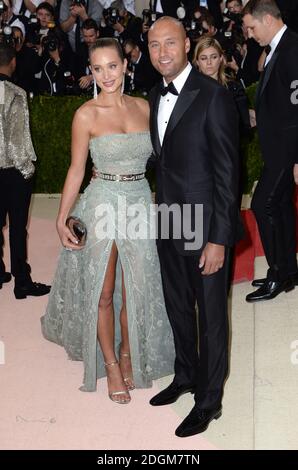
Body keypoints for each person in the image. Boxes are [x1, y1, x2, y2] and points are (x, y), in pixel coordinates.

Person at [40, 38, 174, 404]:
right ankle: (111, 364)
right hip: (101, 202)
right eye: (97, 69)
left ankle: (129, 352)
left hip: (138, 203)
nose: (106, 75)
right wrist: (62, 217)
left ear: (125, 65)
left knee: (136, 286)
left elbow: (166, 162)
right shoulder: (86, 114)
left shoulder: (146, 107)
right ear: (91, 71)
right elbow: (76, 169)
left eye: (112, 66)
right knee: (103, 288)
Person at [147, 17, 239, 436]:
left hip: (205, 228)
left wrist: (219, 238)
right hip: (169, 222)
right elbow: (165, 158)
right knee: (178, 306)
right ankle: (185, 374)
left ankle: (209, 401)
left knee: (212, 316)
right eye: (153, 45)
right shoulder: (153, 95)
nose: (162, 52)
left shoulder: (214, 95)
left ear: (186, 44)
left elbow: (227, 175)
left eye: (170, 43)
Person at [243, 0, 298, 302]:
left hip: (287, 152)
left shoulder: (291, 48)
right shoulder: (280, 48)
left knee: (262, 206)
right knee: (280, 207)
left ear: (266, 19)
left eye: (251, 27)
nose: (250, 34)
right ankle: (288, 270)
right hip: (278, 149)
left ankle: (277, 274)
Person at [0, 43, 51, 298]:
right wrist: (27, 171)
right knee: (18, 227)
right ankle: (22, 282)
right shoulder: (16, 93)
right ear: (13, 63)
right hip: (12, 173)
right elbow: (17, 142)